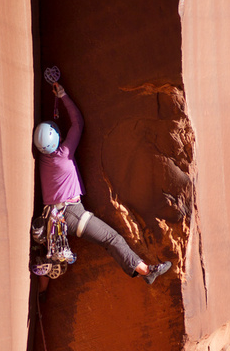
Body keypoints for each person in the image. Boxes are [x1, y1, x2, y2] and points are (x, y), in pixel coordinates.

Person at [33, 83, 172, 286]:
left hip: (52, 218)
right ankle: (146, 271)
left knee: (51, 254)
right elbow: (77, 123)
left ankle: (43, 289)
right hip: (72, 214)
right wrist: (62, 95)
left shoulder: (43, 159)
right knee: (112, 239)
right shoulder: (64, 154)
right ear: (57, 138)